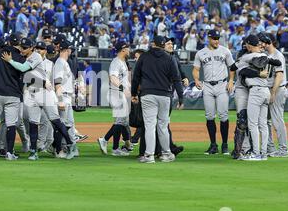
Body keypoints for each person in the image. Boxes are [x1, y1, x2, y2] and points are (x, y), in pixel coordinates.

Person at [1, 38, 78, 160]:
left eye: (25, 47)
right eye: (21, 47)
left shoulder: (35, 56)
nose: (22, 49)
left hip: (45, 93)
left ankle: (71, 144)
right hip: (32, 94)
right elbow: (26, 76)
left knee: (55, 120)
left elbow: (22, 69)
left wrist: (10, 60)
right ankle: (33, 151)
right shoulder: (24, 57)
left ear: (31, 48)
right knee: (33, 123)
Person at [131, 36, 184, 164]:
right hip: (165, 95)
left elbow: (136, 77)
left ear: (153, 44)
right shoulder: (170, 58)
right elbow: (177, 79)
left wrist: (134, 93)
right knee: (163, 126)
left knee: (149, 125)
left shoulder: (144, 57)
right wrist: (181, 98)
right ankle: (166, 153)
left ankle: (149, 155)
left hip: (148, 94)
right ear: (162, 45)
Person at [238, 35, 282, 160]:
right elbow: (277, 62)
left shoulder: (248, 57)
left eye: (247, 44)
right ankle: (263, 153)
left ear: (249, 45)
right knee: (263, 124)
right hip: (265, 91)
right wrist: (267, 60)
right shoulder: (265, 56)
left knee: (253, 124)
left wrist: (257, 70)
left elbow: (241, 71)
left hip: (256, 91)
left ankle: (256, 153)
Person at [192, 29, 235, 156]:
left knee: (223, 115)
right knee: (209, 116)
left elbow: (232, 67)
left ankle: (225, 144)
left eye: (218, 38)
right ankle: (213, 145)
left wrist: (231, 80)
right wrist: (196, 79)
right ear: (209, 39)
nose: (217, 41)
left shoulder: (225, 51)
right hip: (208, 86)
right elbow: (196, 69)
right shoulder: (201, 53)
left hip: (222, 85)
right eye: (214, 38)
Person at [98, 41, 132, 156]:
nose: (129, 49)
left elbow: (125, 80)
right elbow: (113, 78)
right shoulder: (116, 62)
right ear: (123, 49)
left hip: (120, 93)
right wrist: (123, 88)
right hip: (116, 93)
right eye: (128, 47)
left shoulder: (123, 62)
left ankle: (118, 145)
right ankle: (107, 142)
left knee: (123, 121)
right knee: (120, 121)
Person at [265, 33, 288, 157]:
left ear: (270, 41)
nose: (262, 43)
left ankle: (283, 150)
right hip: (268, 89)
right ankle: (270, 148)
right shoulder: (266, 55)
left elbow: (279, 77)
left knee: (277, 120)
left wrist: (273, 92)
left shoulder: (278, 55)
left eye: (264, 41)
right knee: (266, 121)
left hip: (277, 90)